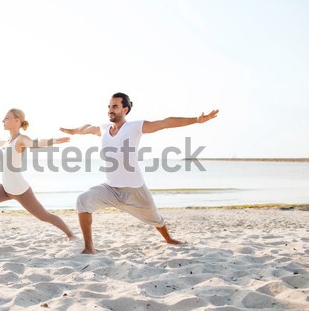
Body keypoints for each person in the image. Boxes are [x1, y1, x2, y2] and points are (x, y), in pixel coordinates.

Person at [60, 93, 218, 254]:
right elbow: (86, 128)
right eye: (109, 106)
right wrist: (73, 131)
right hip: (110, 189)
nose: (110, 110)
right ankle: (89, 248)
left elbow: (165, 123)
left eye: (115, 106)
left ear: (125, 109)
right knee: (82, 201)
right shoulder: (104, 129)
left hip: (135, 190)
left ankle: (169, 239)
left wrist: (196, 120)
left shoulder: (134, 127)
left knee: (155, 219)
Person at [0, 108, 75, 248]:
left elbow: (35, 144)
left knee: (44, 216)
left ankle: (70, 234)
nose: (3, 121)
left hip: (20, 189)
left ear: (17, 121)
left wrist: (54, 141)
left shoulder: (20, 139)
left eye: (6, 118)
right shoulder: (7, 141)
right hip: (5, 188)